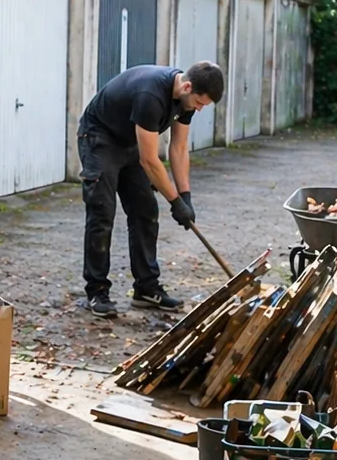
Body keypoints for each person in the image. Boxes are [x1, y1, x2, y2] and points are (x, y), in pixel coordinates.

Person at [76, 62, 225, 317]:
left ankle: (146, 288)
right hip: (99, 137)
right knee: (102, 213)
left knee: (145, 210)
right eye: (200, 103)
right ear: (187, 86)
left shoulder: (185, 99)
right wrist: (175, 201)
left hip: (129, 142)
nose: (199, 109)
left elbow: (178, 148)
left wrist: (185, 197)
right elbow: (149, 161)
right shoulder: (151, 95)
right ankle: (97, 290)